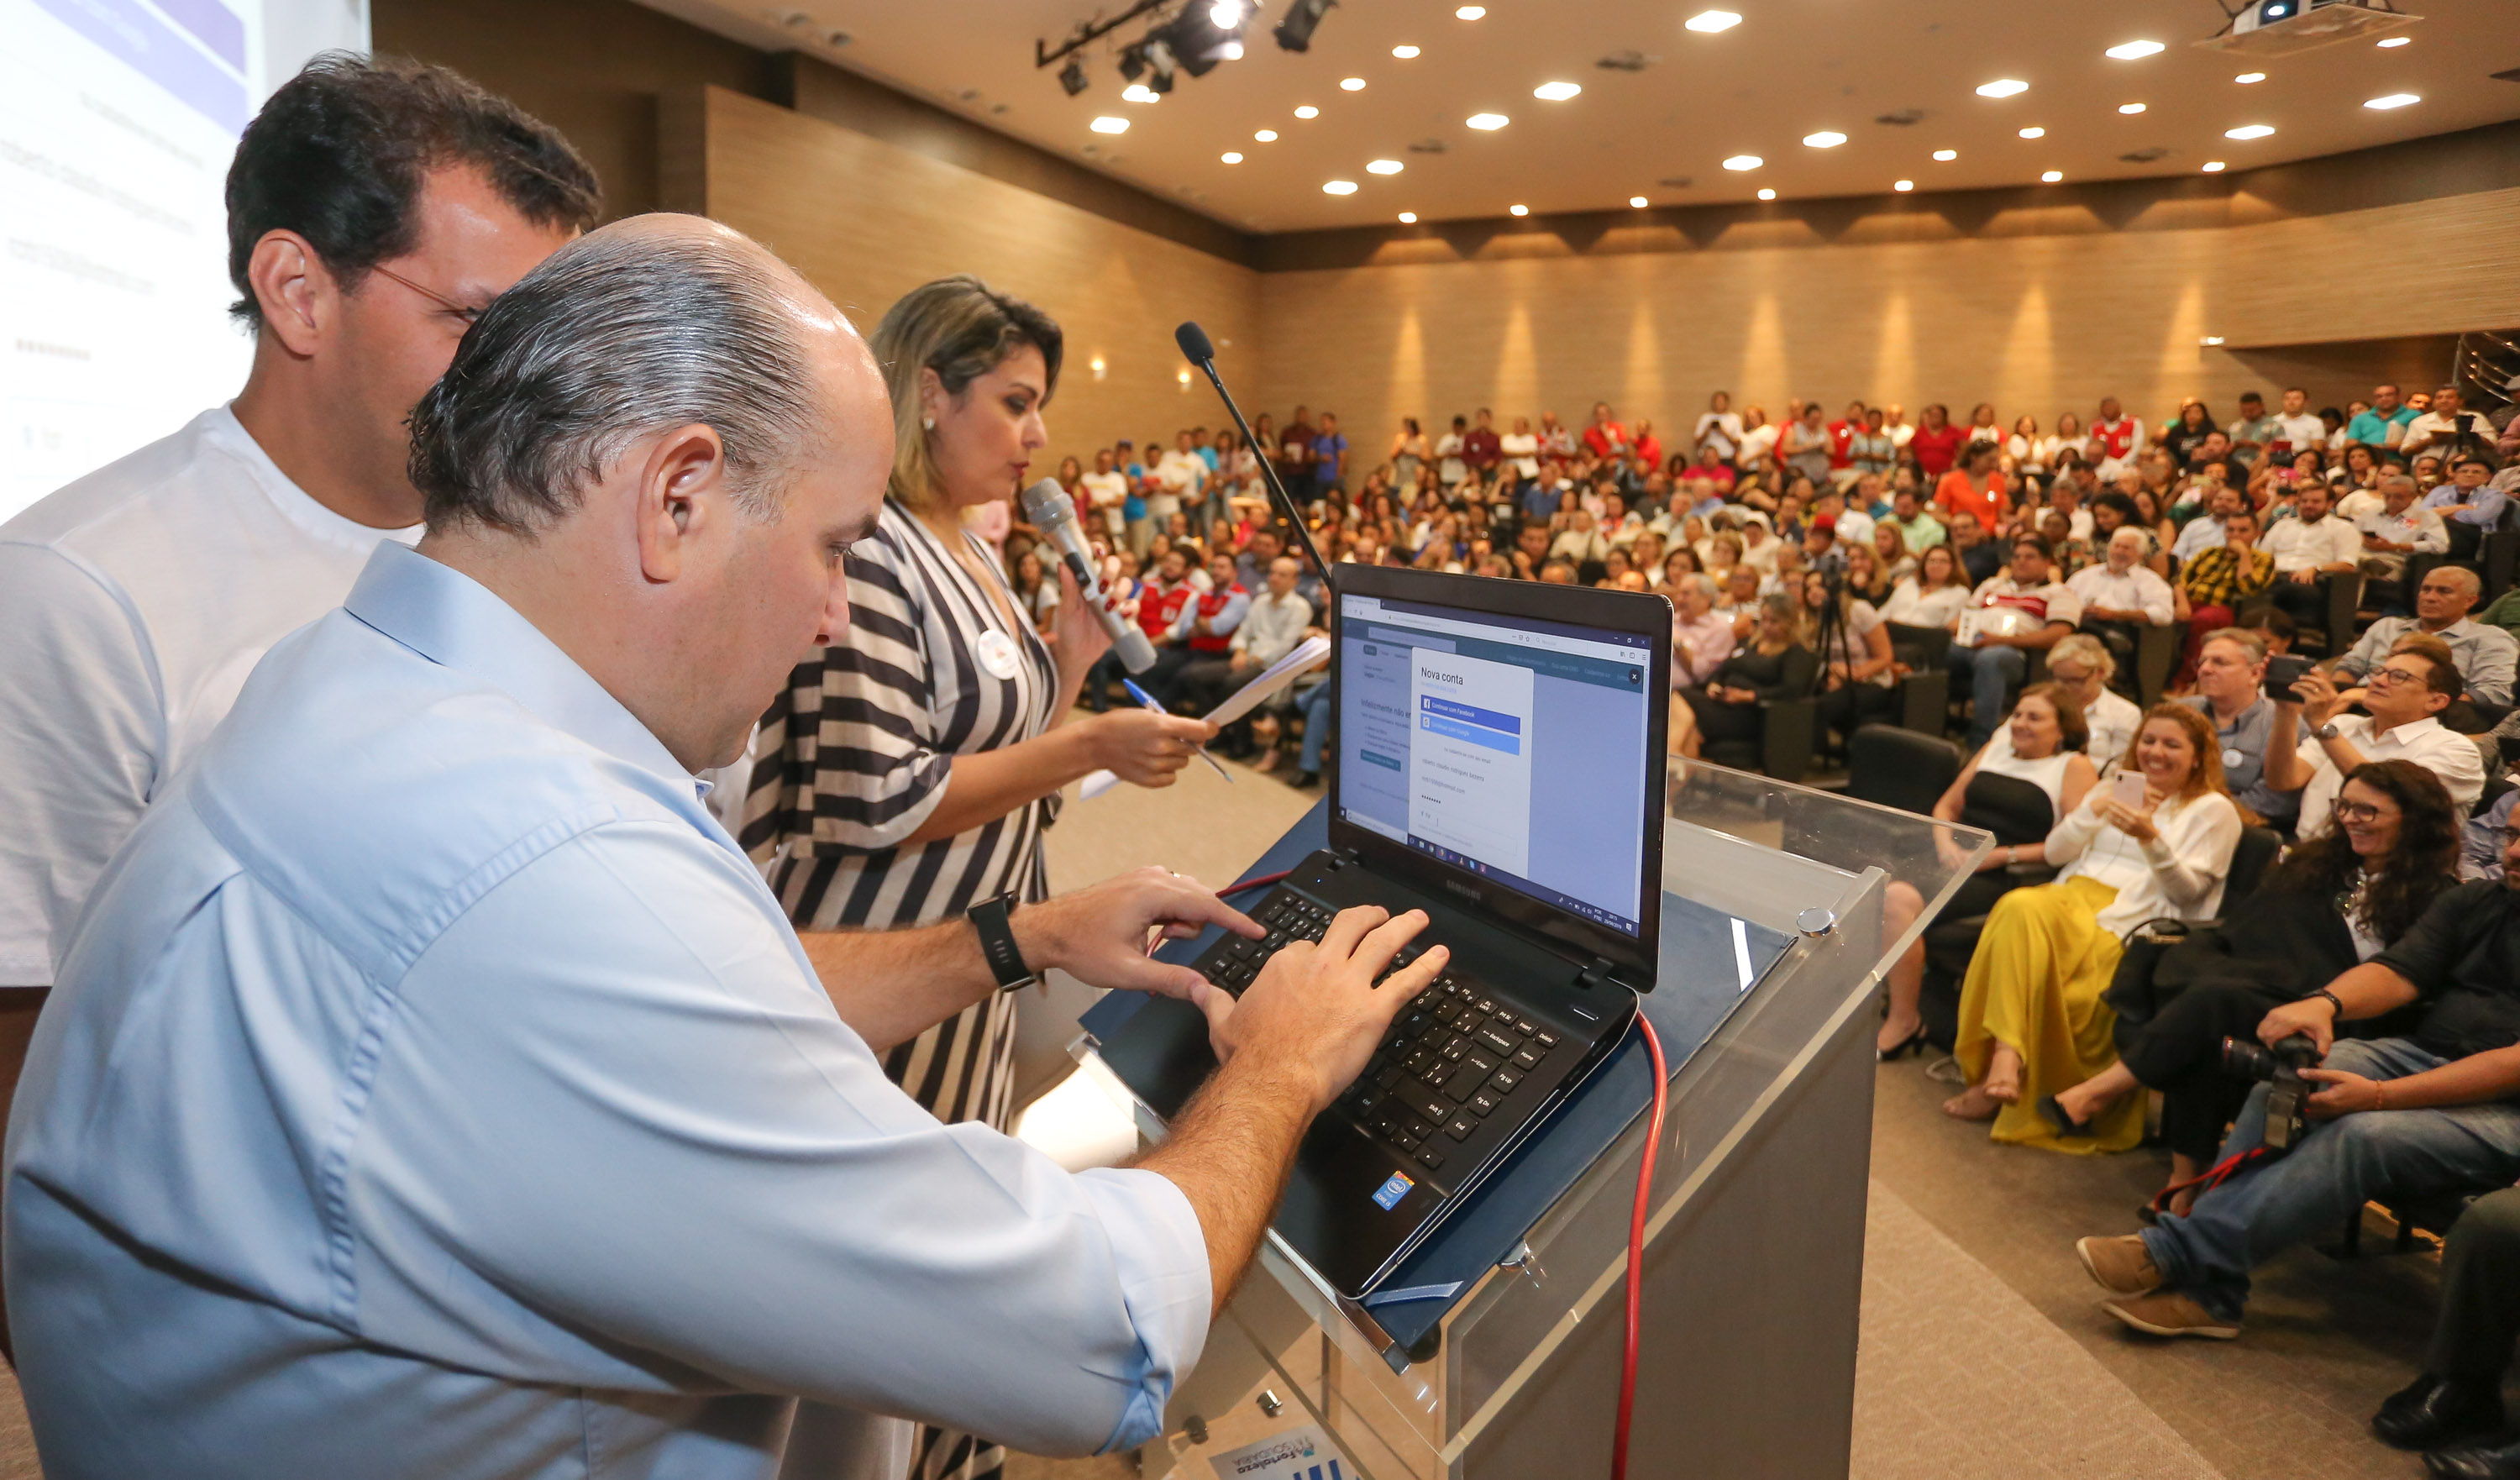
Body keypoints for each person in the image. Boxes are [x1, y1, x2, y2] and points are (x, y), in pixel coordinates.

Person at [3, 216, 1455, 1480]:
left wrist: (1015, 937)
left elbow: (701, 1006)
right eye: (832, 546)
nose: (835, 615)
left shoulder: (338, 689)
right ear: (677, 496)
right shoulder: (556, 876)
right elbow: (1095, 1335)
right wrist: (1275, 1063)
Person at [0, 57, 600, 1330]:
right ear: (296, 291)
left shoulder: (548, 549)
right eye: (481, 329)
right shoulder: (81, 586)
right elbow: (26, 1041)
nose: (534, 389)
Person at [2073, 822, 2520, 1342]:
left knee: (2364, 1135)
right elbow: (2401, 970)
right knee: (2289, 1082)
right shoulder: (2481, 899)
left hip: (2509, 1105)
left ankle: (2178, 1257)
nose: (2514, 852)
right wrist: (2323, 1003)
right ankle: (2211, 1296)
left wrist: (2378, 1098)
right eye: (2512, 836)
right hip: (2428, 1054)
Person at [2045, 763, 2459, 1202]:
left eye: (2368, 811)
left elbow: (2406, 974)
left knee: (2214, 1000)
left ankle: (2104, 1097)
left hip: (2339, 1010)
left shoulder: (2438, 896)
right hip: (2267, 980)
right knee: (2213, 1025)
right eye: (2345, 806)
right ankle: (2183, 1185)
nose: (2351, 819)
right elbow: (2262, 923)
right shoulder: (2322, 863)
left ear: (2413, 819)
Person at [1946, 705, 2242, 1149]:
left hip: (2132, 917)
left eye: (2171, 745)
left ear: (2199, 756)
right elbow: (2055, 852)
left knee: (2023, 911)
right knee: (2019, 905)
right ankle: (2007, 1056)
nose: (2155, 752)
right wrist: (2094, 810)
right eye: (2148, 740)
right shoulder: (2115, 785)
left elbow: (2188, 895)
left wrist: (2150, 838)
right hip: (2071, 896)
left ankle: (2005, 1064)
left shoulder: (2213, 810)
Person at [1877, 685, 2099, 1057]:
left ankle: (1904, 1020)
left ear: (2061, 729)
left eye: (2035, 718)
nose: (2021, 724)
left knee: (1898, 900)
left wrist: (2002, 856)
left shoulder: (2072, 766)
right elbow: (1945, 807)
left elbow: (2073, 844)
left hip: (2008, 872)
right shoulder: (1996, 747)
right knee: (1873, 885)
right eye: (2018, 715)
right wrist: (1947, 843)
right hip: (1951, 856)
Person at [2265, 634, 2485, 836]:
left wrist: (2321, 725)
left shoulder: (2455, 749)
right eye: (2380, 672)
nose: (2378, 681)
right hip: (2311, 855)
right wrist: (2286, 712)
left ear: (2436, 701)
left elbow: (2381, 796)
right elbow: (2283, 781)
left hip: (2399, 870)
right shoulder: (2344, 725)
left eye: (2399, 677)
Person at [1945, 533, 2083, 748]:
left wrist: (2000, 640)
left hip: (2016, 652)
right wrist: (1961, 629)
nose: (2021, 561)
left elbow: (2059, 634)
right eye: (2017, 556)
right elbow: (1961, 617)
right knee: (1937, 649)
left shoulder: (2058, 593)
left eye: (2030, 557)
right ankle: (1932, 723)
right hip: (1973, 641)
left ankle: (1981, 740)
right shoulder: (1993, 585)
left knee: (1991, 658)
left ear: (2047, 562)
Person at [2334, 564, 2518, 710]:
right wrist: (2335, 693)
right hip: (2362, 701)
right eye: (2426, 589)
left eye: (2444, 591)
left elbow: (2493, 693)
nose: (2430, 597)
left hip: (2435, 716)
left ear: (2469, 601)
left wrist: (2424, 707)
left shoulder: (2490, 638)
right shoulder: (2387, 626)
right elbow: (2350, 667)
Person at [2176, 627, 2301, 832]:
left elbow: (2275, 801)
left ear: (2255, 673)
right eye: (2201, 662)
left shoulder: (2284, 723)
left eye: (2219, 662)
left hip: (2244, 831)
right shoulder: (2180, 712)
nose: (2205, 670)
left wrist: (2198, 814)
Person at [1670, 594, 1815, 761]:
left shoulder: (1795, 653)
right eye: (1764, 619)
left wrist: (1749, 696)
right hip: (1723, 702)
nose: (1767, 626)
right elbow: (1723, 669)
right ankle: (1679, 772)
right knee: (1692, 730)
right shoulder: (1749, 643)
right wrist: (1715, 684)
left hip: (1752, 713)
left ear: (1789, 623)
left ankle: (1673, 754)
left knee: (1684, 696)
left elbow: (1792, 690)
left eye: (1774, 621)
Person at [2172, 506, 2276, 685]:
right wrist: (2182, 603)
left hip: (2223, 607)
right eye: (2230, 529)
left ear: (2256, 534)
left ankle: (2187, 679)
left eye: (2243, 530)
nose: (2235, 535)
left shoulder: (2263, 559)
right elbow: (2179, 581)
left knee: (2203, 620)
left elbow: (2248, 588)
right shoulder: (2208, 553)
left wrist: (2244, 554)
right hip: (2189, 601)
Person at [2068, 527, 2175, 689]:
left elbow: (2163, 614)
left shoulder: (2149, 580)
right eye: (2116, 546)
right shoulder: (2085, 576)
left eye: (2126, 548)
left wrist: (2115, 614)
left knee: (2090, 638)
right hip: (2079, 625)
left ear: (2140, 554)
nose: (2119, 551)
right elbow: (2064, 599)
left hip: (2123, 631)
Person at [2258, 481, 2360, 648]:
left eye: (2315, 502)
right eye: (2304, 501)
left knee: (2285, 589)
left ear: (2329, 504)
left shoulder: (2343, 528)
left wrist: (2316, 569)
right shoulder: (2282, 525)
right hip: (2274, 576)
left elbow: (2348, 564)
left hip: (2315, 581)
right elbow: (2263, 557)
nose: (2308, 505)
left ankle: (2280, 642)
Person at [2044, 635, 2144, 779]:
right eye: (2058, 679)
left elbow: (2121, 770)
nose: (2063, 688)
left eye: (2074, 680)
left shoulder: (2125, 713)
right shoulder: (2043, 702)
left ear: (2099, 673)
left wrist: (2068, 763)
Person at [1669, 572, 1738, 690]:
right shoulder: (1669, 620)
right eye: (1678, 593)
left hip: (1685, 694)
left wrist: (1678, 645)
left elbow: (1705, 675)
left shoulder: (1719, 630)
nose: (1679, 599)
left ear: (1706, 598)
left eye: (1686, 594)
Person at [1935, 439, 2008, 535]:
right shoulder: (1949, 480)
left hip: (1990, 538)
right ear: (1974, 458)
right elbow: (1938, 514)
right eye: (1990, 460)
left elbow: (2001, 514)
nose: (1994, 465)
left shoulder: (1998, 480)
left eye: (1996, 460)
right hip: (1961, 537)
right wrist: (1966, 528)